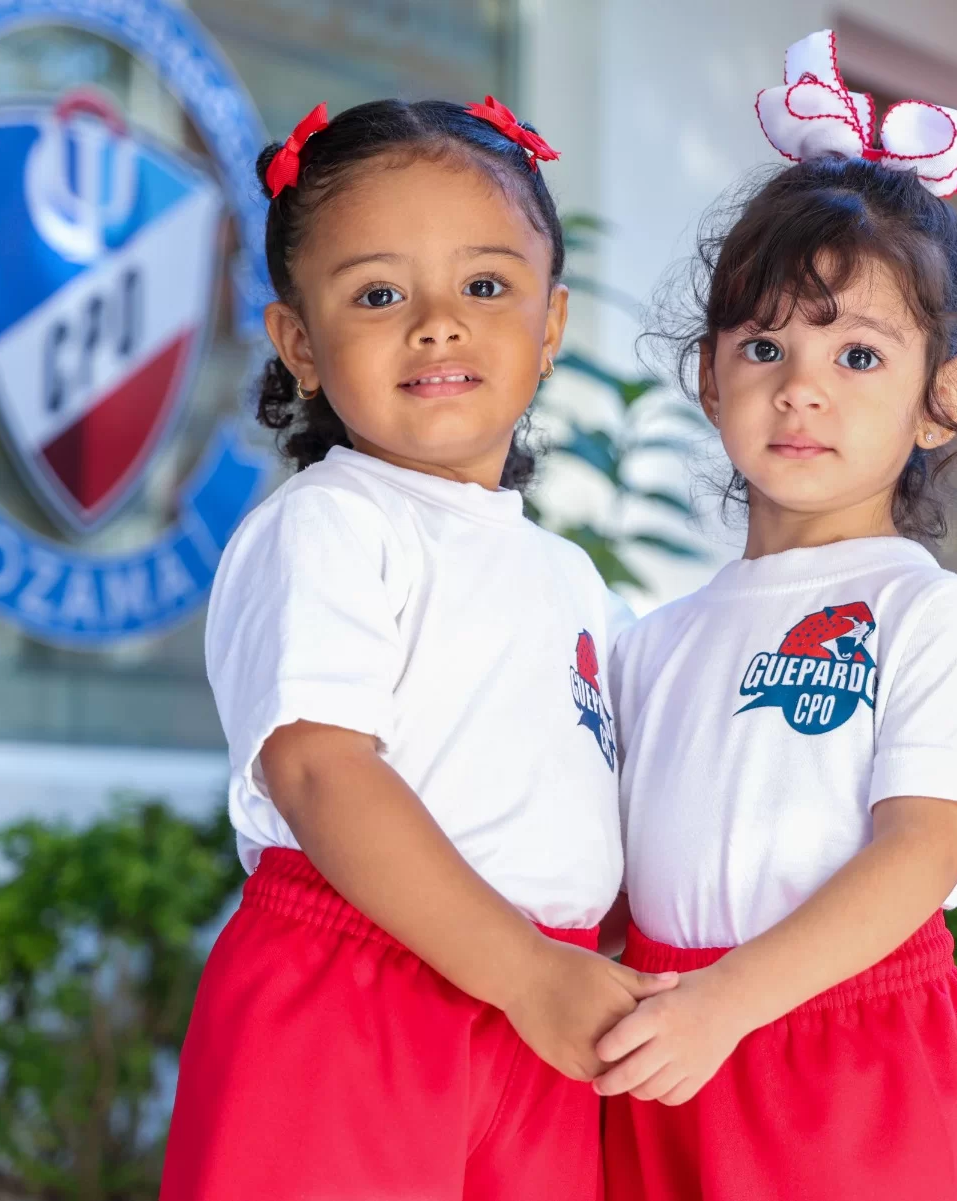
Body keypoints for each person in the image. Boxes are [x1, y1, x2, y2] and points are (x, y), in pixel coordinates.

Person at [160, 96, 675, 1201]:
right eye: (379, 294)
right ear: (300, 343)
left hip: (540, 1011)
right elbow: (318, 767)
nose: (438, 324)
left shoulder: (571, 578)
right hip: (358, 988)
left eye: (484, 286)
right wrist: (524, 971)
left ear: (549, 325)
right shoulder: (332, 523)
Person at [597, 31, 957, 1201]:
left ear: (942, 399)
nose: (801, 387)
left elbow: (921, 848)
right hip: (670, 1047)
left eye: (858, 355)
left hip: (853, 1056)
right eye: (764, 344)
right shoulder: (648, 642)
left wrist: (728, 1003)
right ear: (709, 378)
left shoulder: (922, 611)